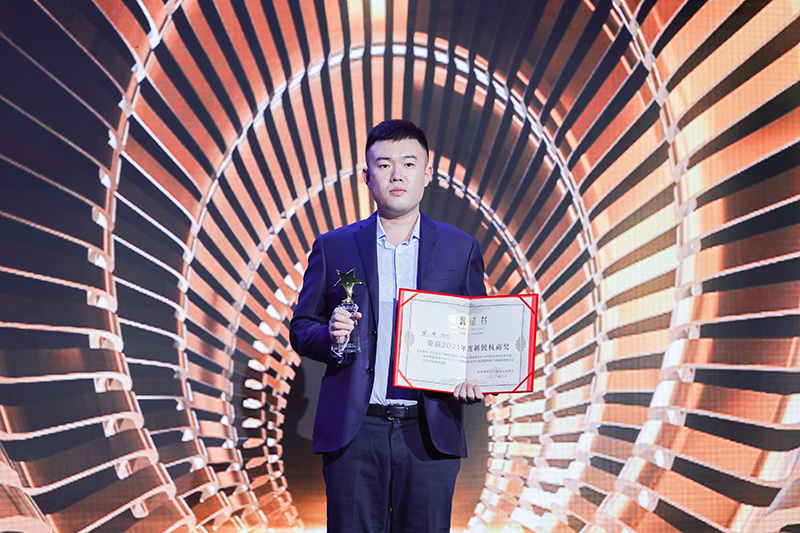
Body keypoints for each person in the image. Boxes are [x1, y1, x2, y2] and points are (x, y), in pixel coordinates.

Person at [290, 119, 486, 532]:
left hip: (430, 432)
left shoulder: (461, 248)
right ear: (367, 177)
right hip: (356, 430)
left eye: (409, 164)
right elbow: (302, 327)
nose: (397, 175)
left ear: (427, 174)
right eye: (384, 165)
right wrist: (331, 337)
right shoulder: (334, 246)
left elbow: (479, 333)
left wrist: (477, 376)